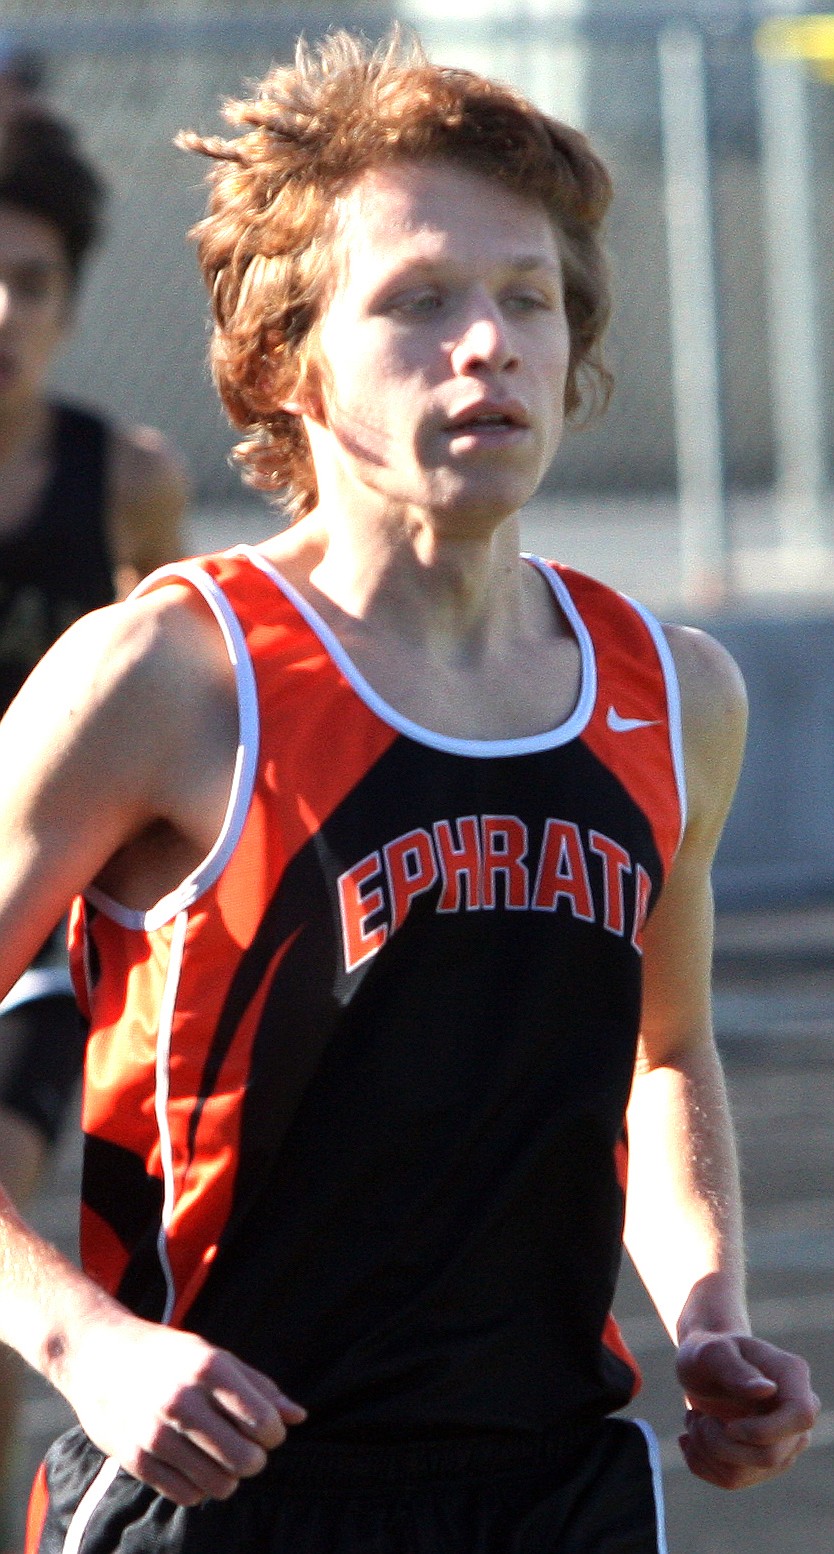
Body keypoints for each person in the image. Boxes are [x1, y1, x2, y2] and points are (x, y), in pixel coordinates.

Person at [0, 28, 817, 1554]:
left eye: (526, 299)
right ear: (285, 355)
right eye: (419, 301)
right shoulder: (172, 676)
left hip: (550, 1488)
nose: (490, 343)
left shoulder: (671, 688)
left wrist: (706, 1308)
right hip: (224, 1484)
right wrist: (86, 1344)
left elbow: (664, 1045)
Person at [0, 103, 187, 1549]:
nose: (6, 313)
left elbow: (178, 669)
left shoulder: (123, 474)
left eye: (36, 281)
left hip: (41, 921)